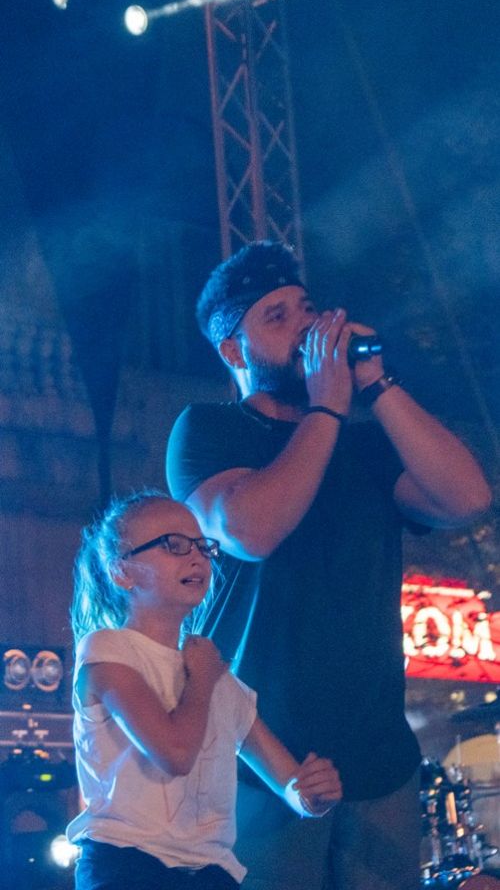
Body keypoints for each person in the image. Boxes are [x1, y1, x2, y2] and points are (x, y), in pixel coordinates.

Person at [165, 240, 492, 890]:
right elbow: (249, 530)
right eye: (277, 316)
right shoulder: (208, 430)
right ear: (234, 351)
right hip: (260, 765)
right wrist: (326, 408)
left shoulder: (361, 443)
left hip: (379, 763)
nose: (306, 326)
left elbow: (469, 499)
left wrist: (376, 384)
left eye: (307, 308)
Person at [66, 489, 342, 890]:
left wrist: (314, 794)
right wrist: (201, 678)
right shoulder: (108, 649)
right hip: (127, 866)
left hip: (213, 874)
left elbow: (289, 782)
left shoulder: (217, 679)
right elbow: (175, 752)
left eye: (202, 546)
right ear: (121, 571)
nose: (196, 557)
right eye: (173, 544)